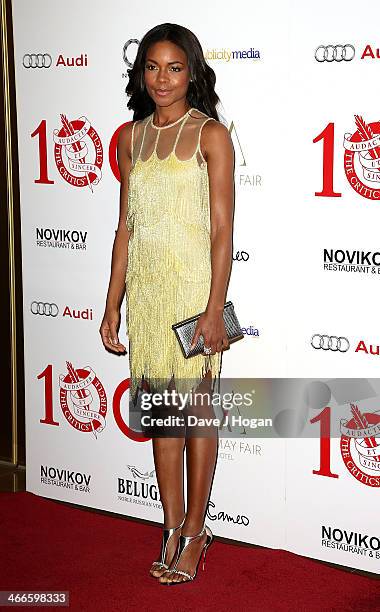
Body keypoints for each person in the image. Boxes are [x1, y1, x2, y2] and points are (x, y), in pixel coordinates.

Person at [100, 23, 234, 585]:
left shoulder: (212, 136)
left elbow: (223, 232)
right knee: (163, 420)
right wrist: (112, 304)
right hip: (151, 299)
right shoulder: (132, 138)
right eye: (152, 67)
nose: (162, 78)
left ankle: (198, 532)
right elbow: (125, 228)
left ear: (193, 72)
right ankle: (172, 524)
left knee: (197, 417)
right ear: (141, 73)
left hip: (193, 295)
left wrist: (212, 309)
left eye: (174, 67)